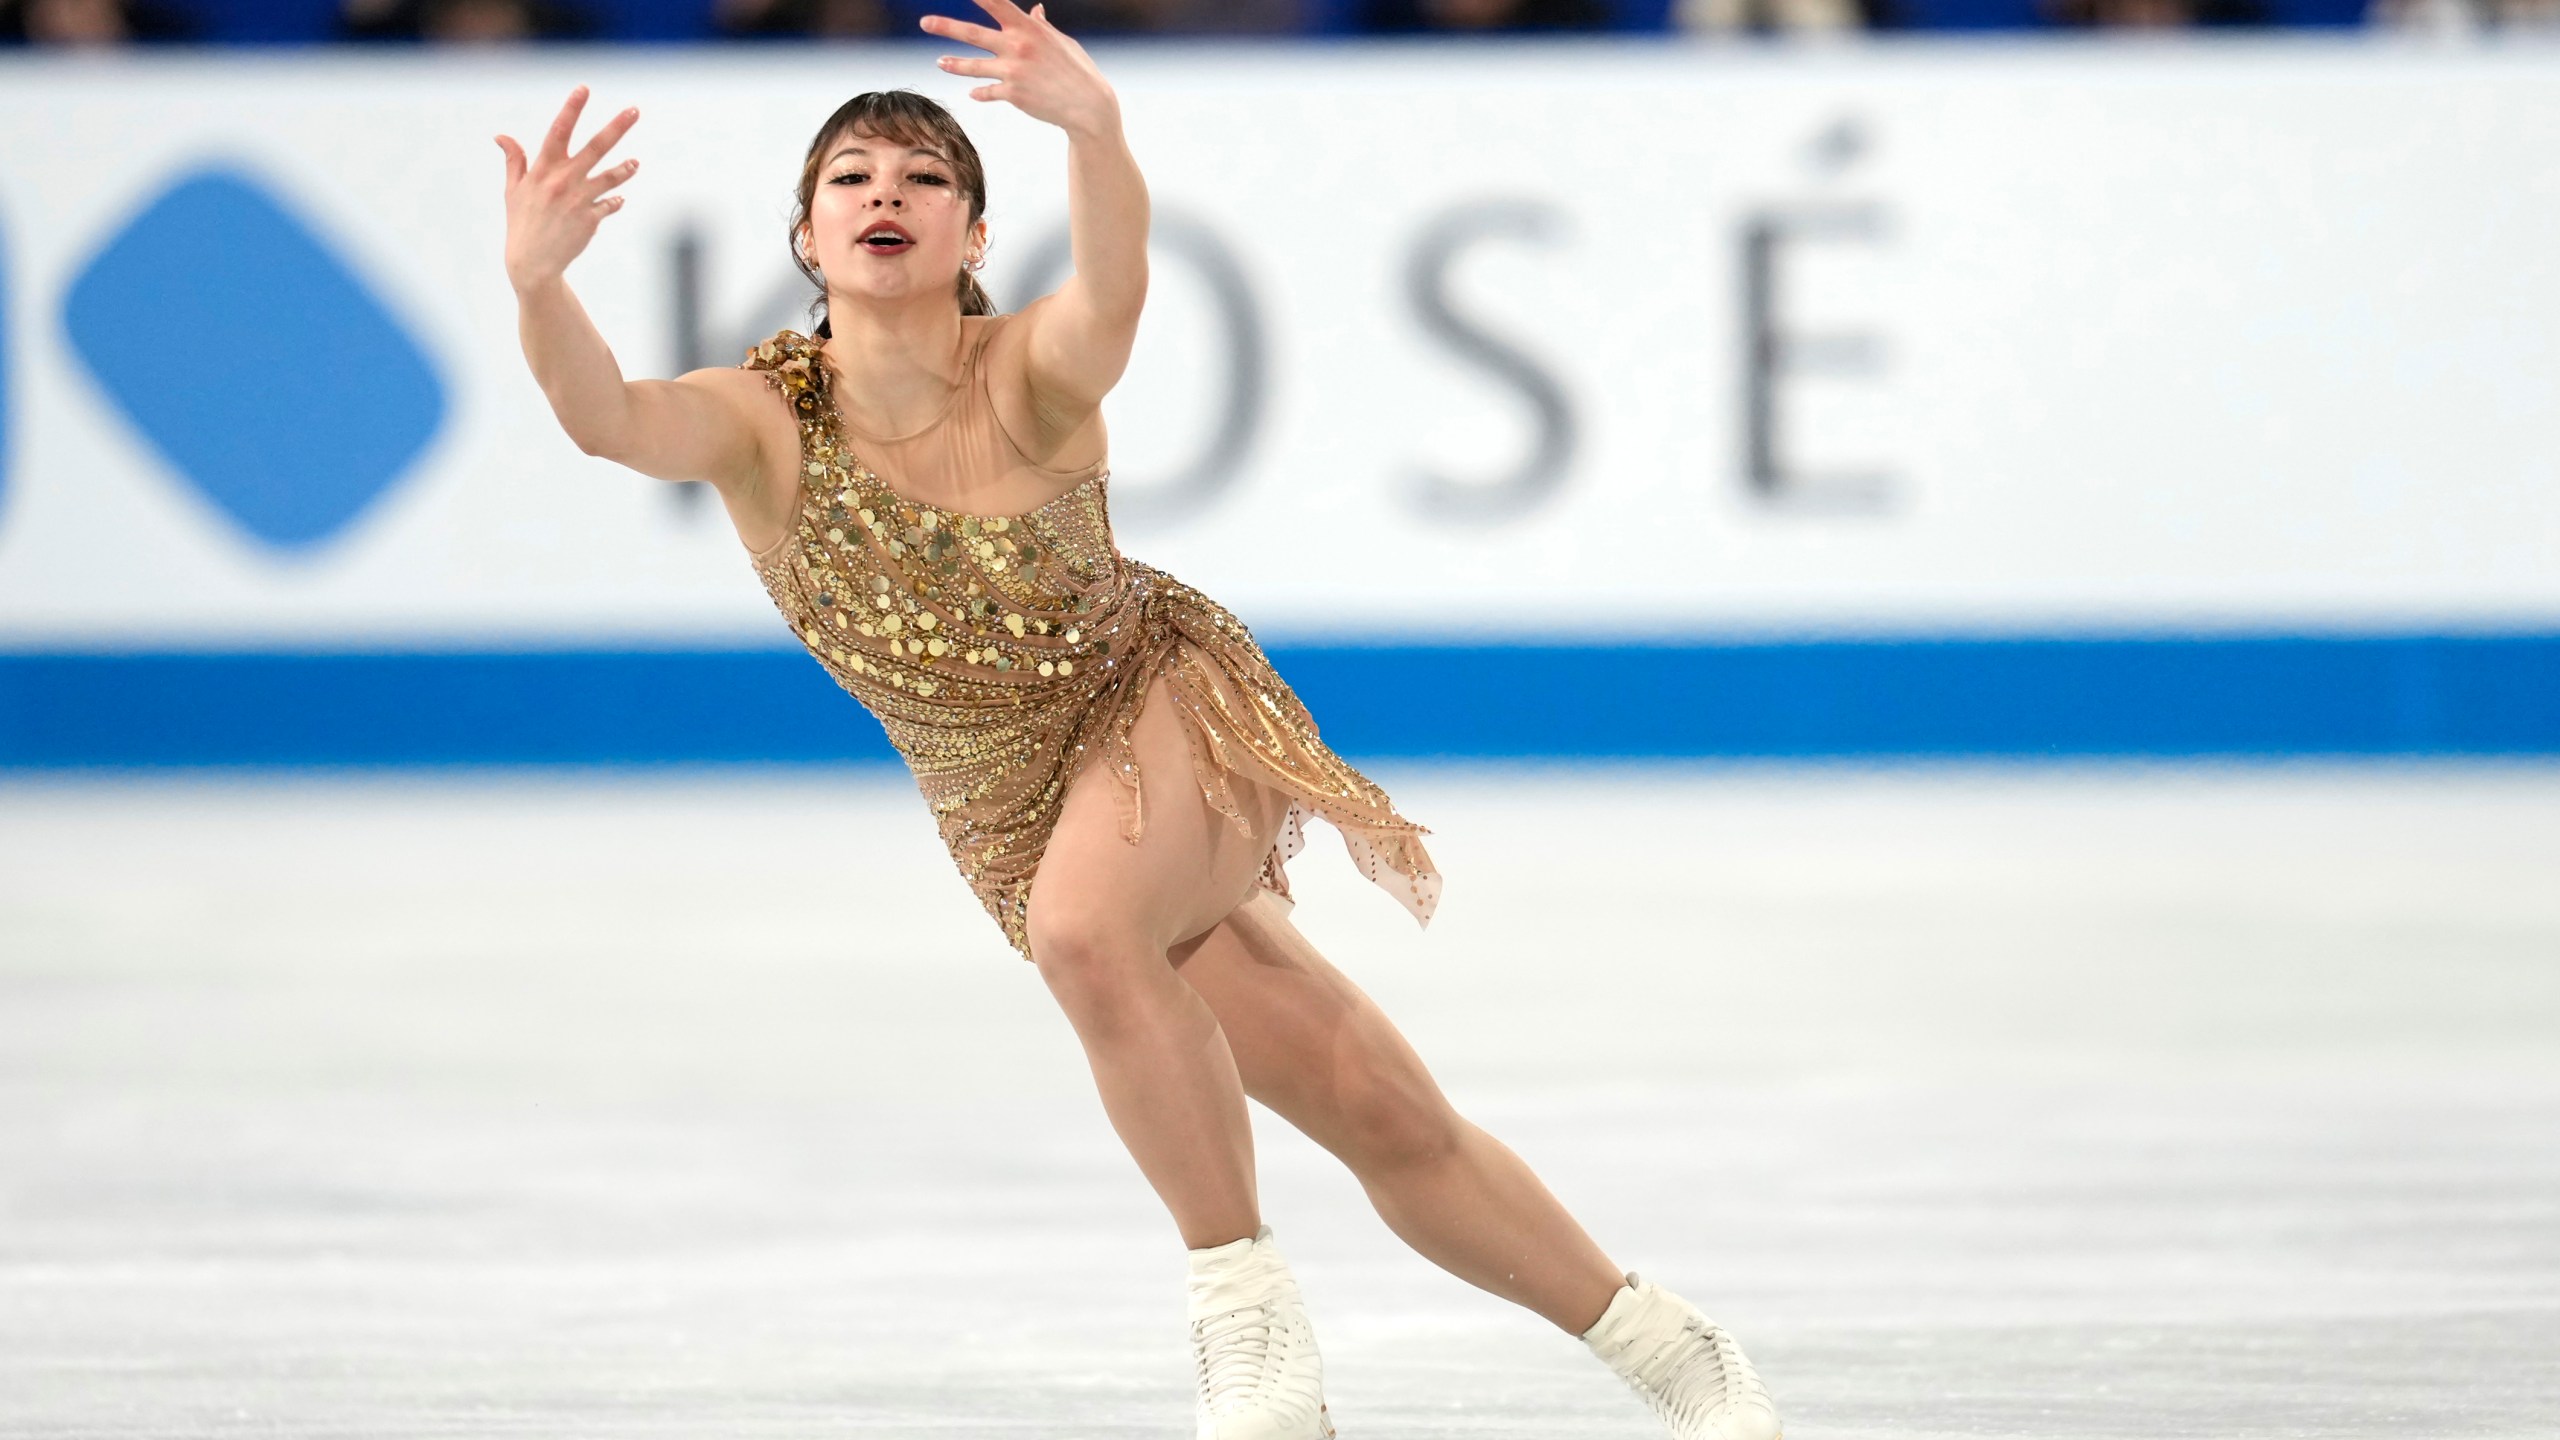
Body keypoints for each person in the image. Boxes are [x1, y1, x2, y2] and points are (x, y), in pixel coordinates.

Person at [494, 4, 1783, 1435]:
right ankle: (1676, 1351)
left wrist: (1096, 130)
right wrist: (540, 286)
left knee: (1086, 931)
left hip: (1160, 705)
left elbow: (1114, 287)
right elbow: (606, 418)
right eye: (851, 177)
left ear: (975, 235)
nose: (885, 194)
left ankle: (1249, 1329)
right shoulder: (760, 423)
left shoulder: (1031, 373)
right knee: (1377, 1105)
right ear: (807, 236)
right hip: (1006, 815)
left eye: (925, 177)